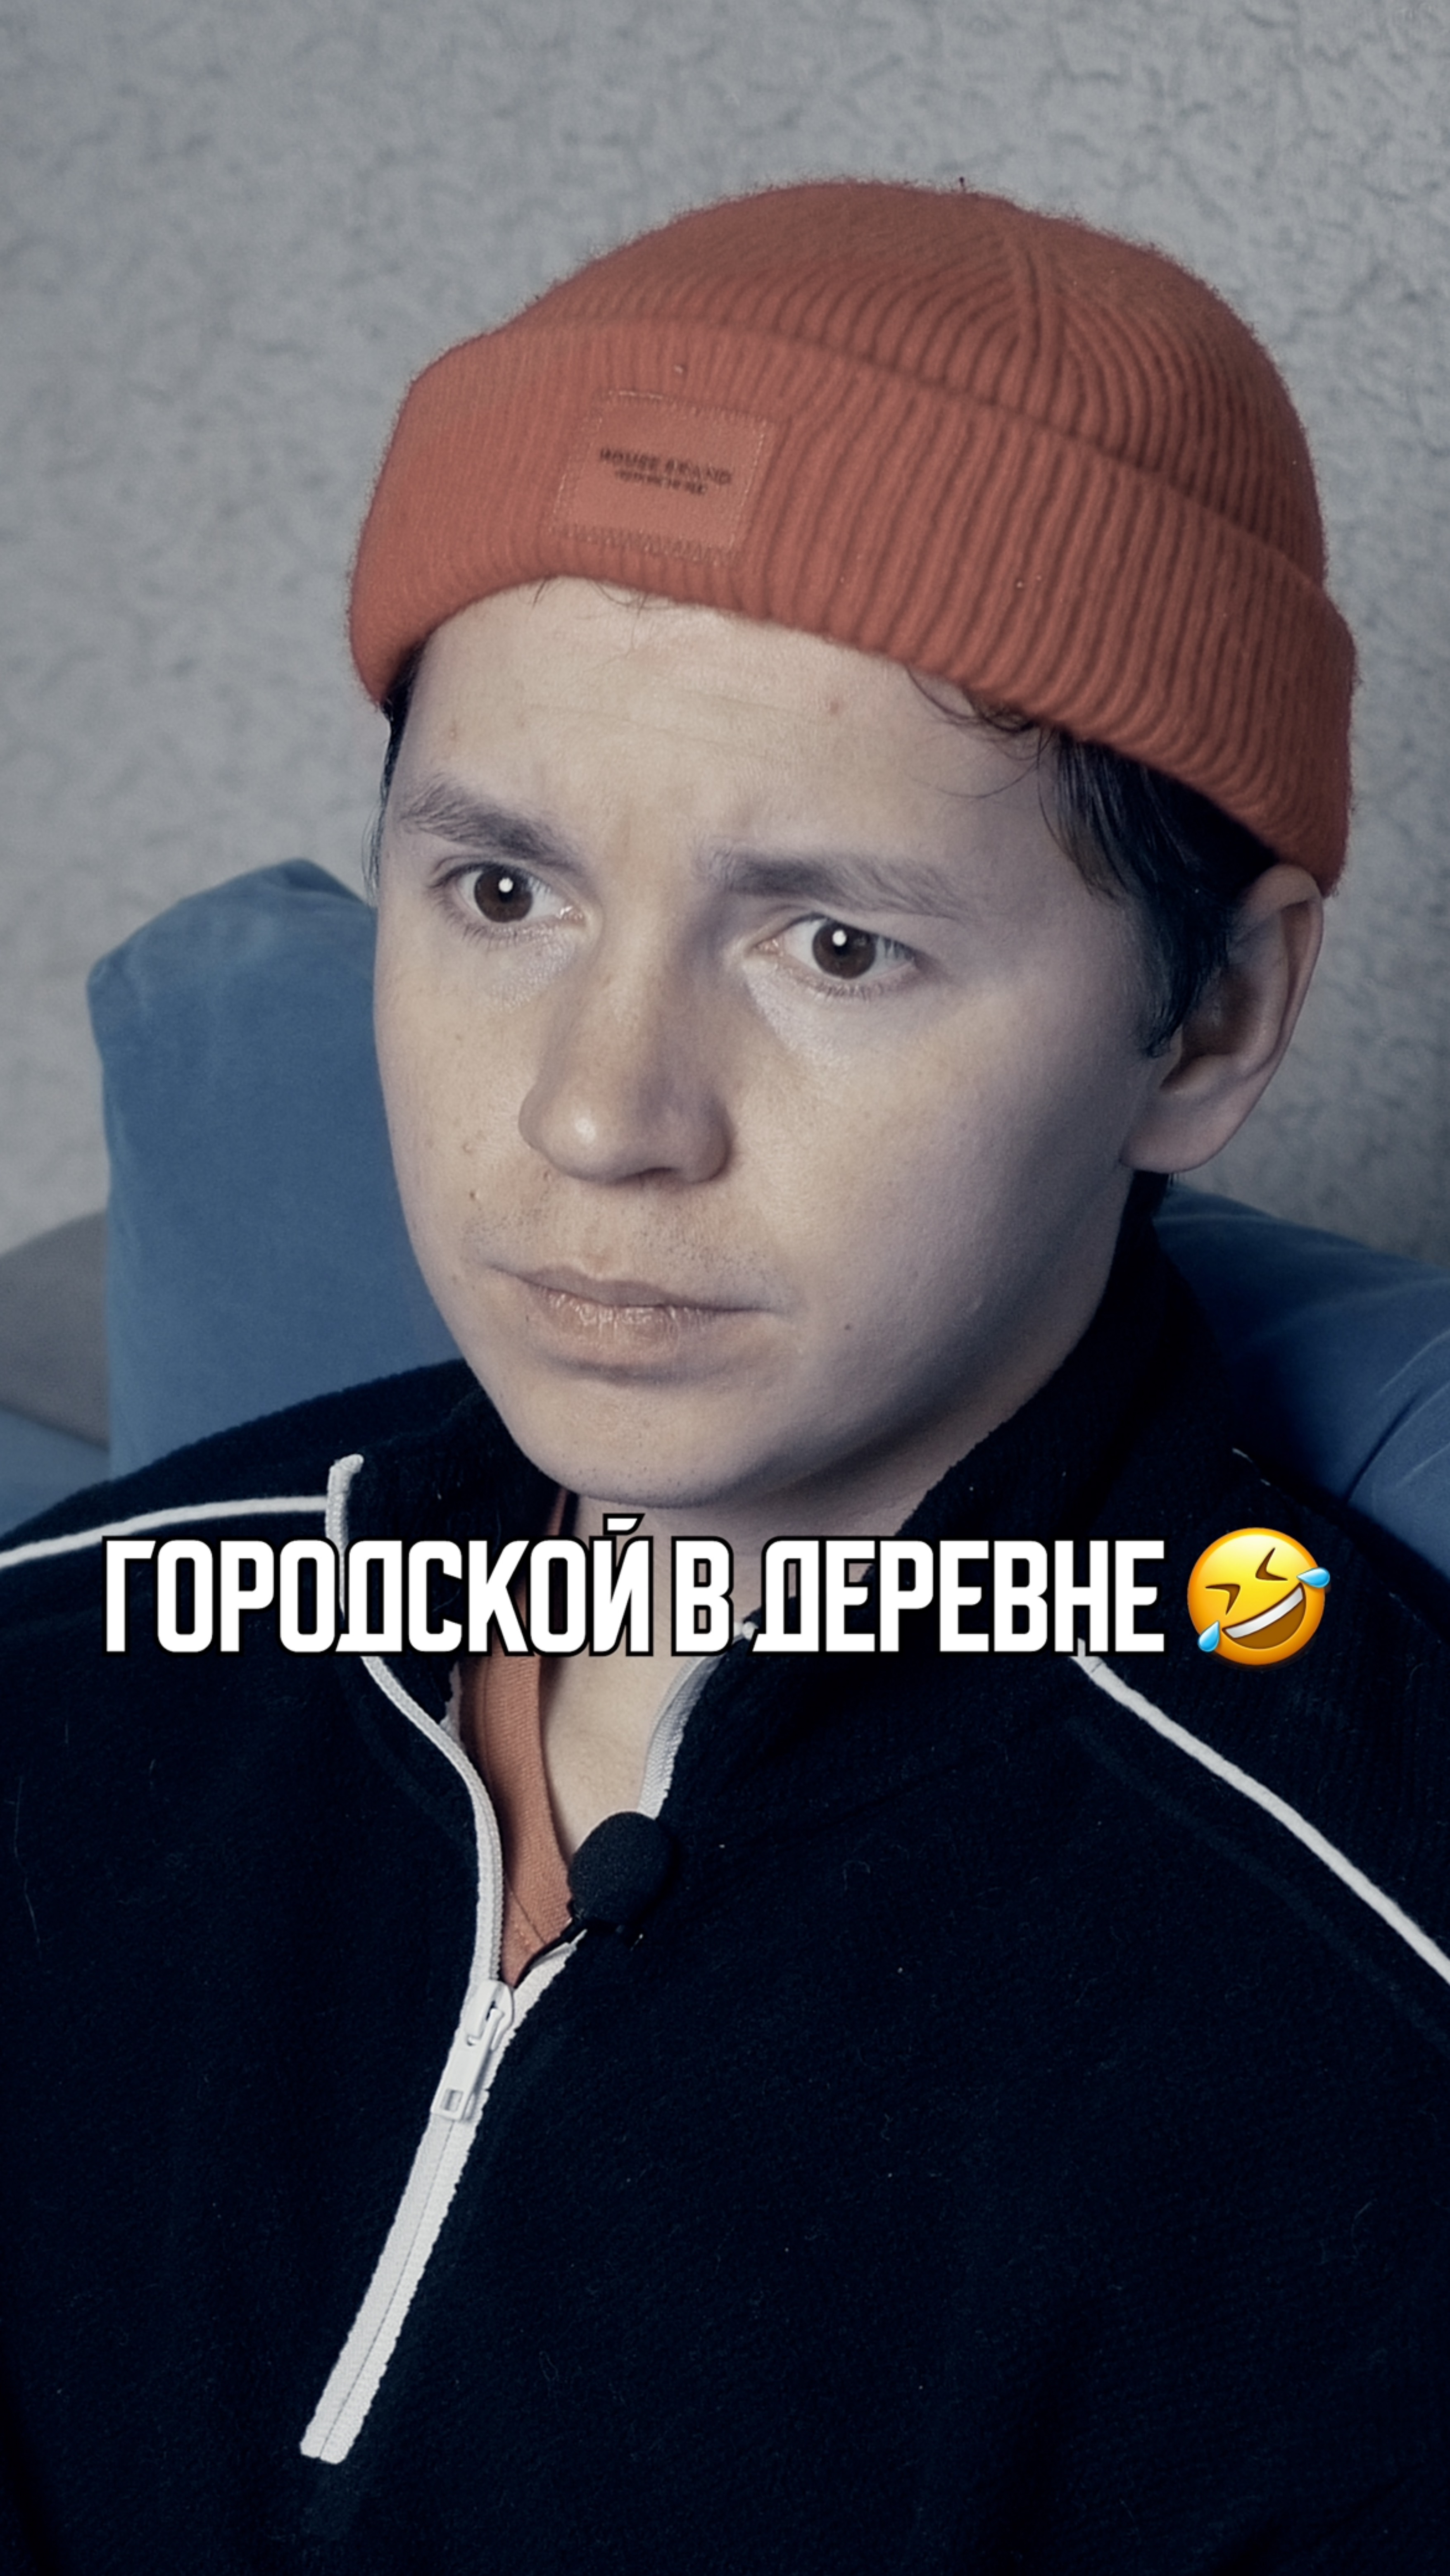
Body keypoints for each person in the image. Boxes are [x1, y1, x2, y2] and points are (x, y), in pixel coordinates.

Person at [2, 180, 1448, 2571]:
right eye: (501, 894)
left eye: (837, 944)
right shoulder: (63, 1670)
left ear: (1209, 1017)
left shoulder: (1368, 2028)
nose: (595, 1118)